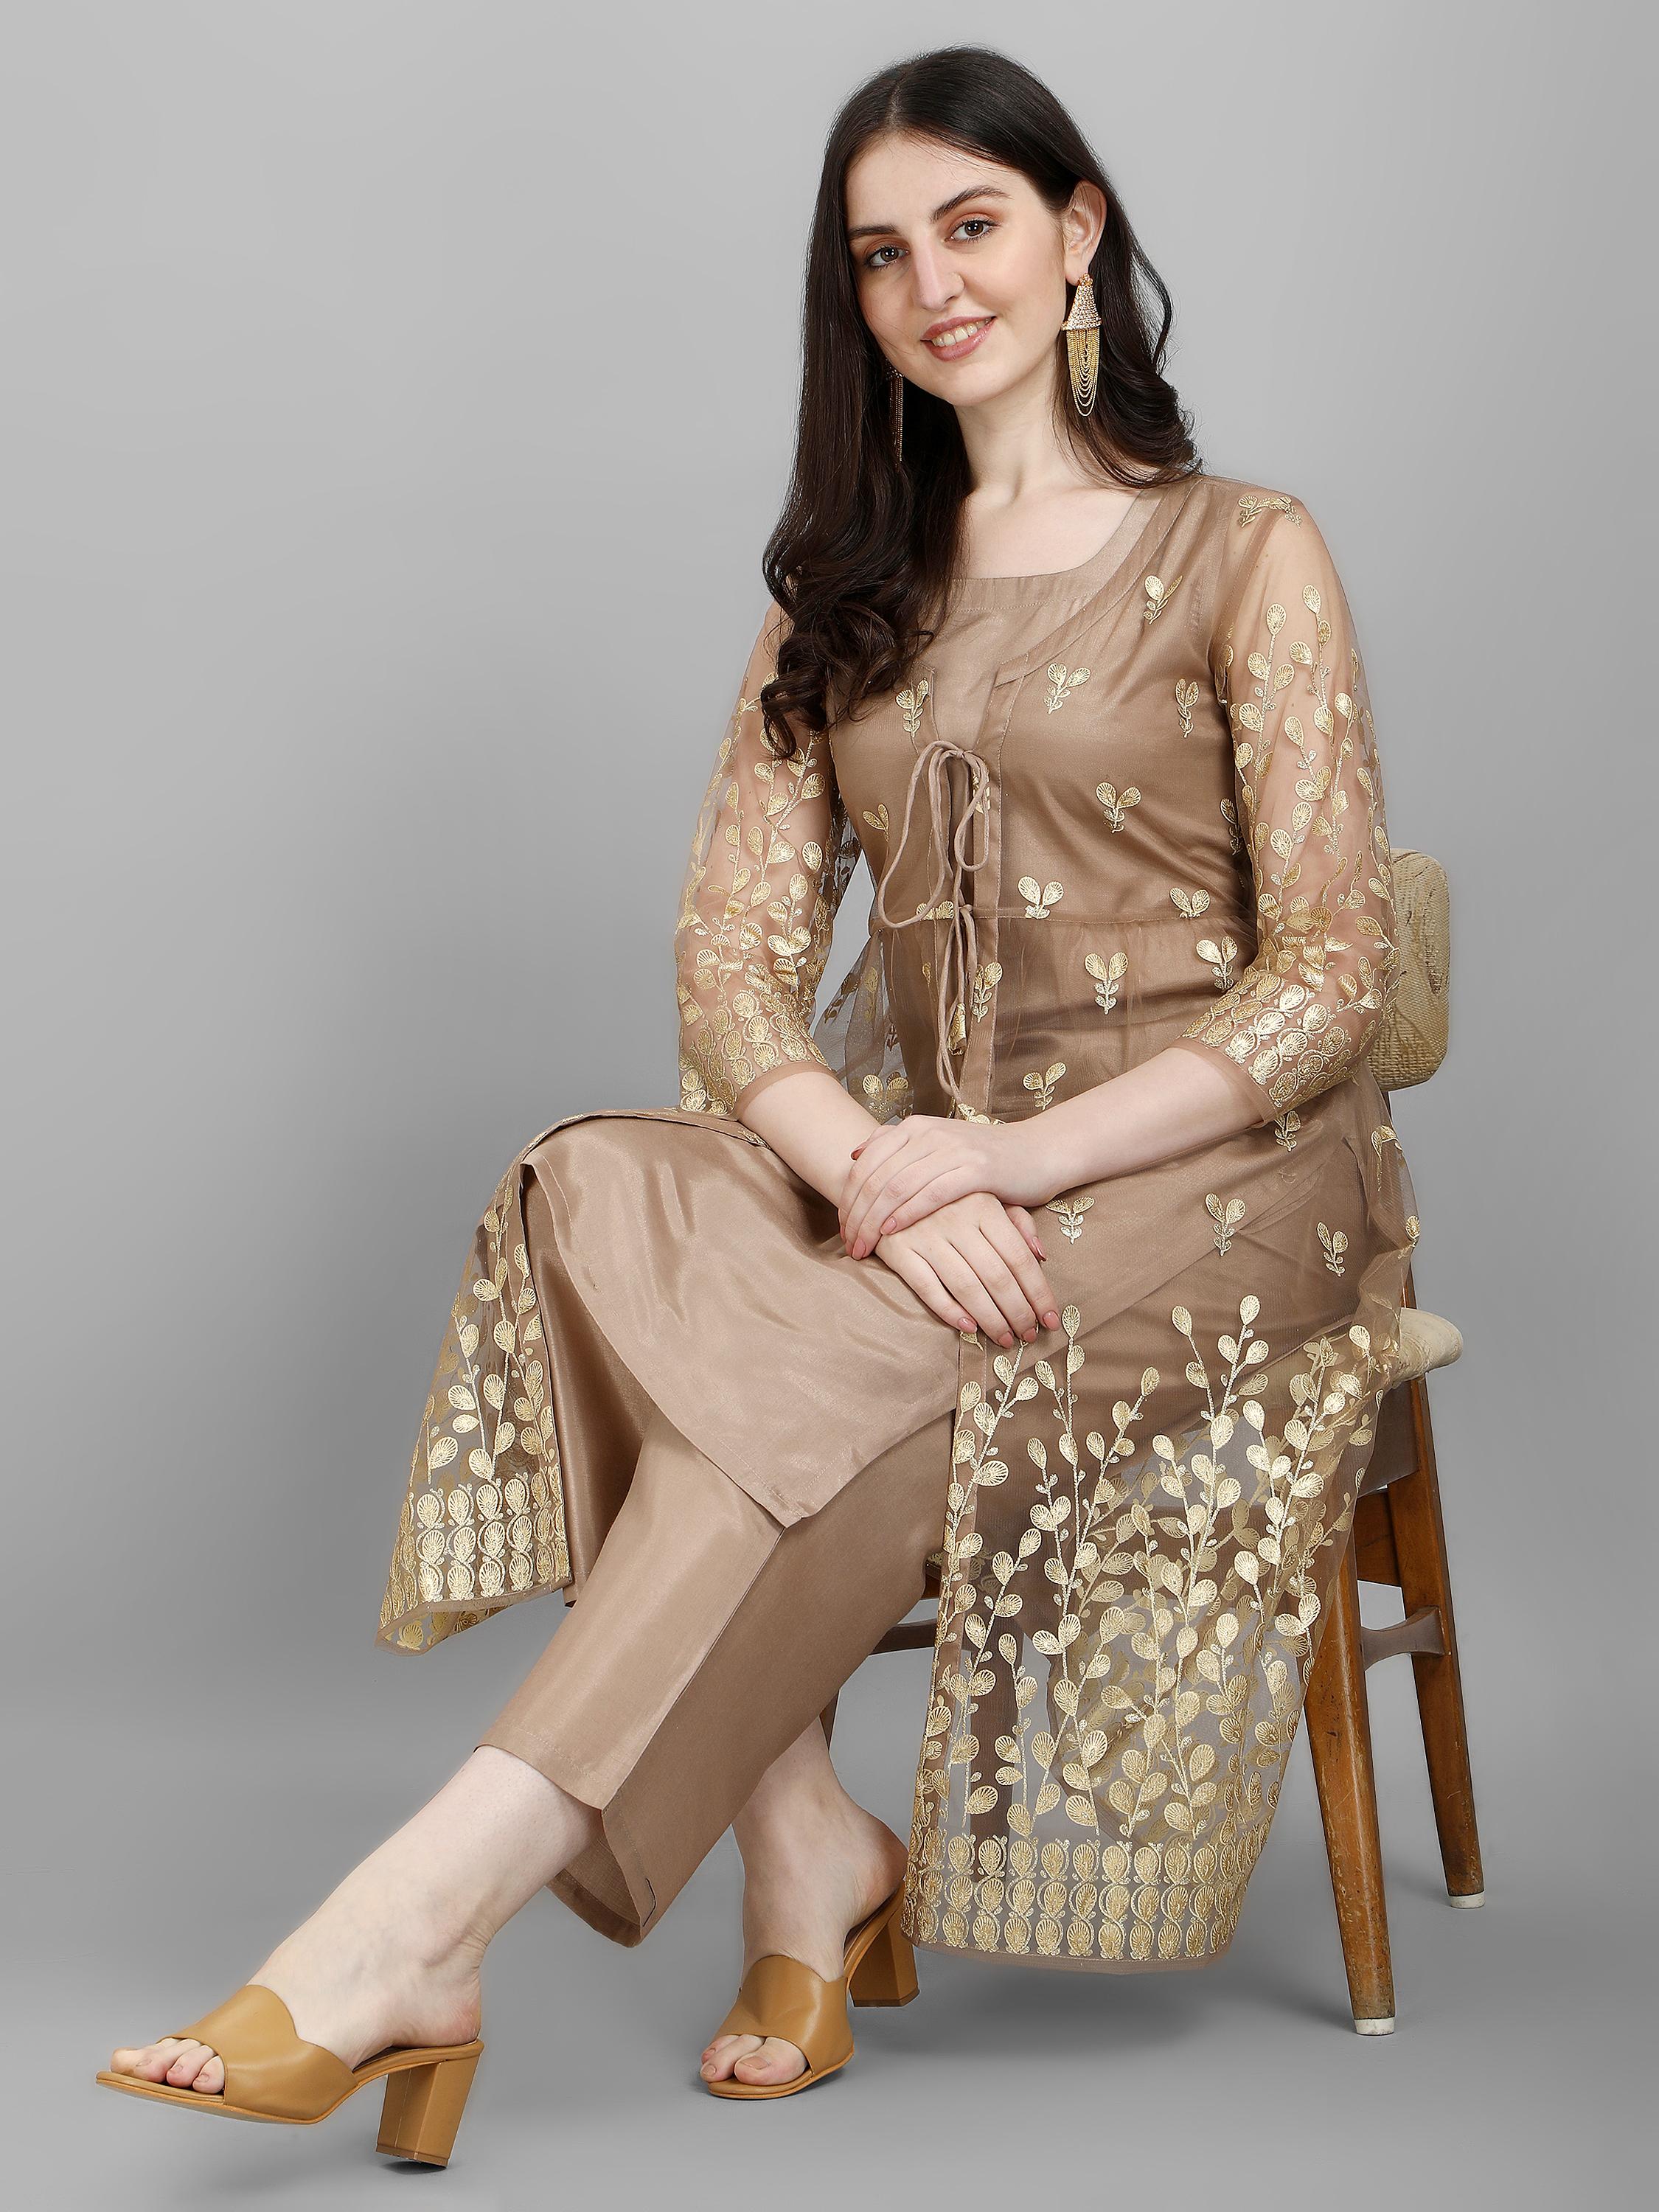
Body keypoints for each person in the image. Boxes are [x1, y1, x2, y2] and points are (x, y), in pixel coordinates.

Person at [98, 42, 1418, 2152]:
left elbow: (1332, 972)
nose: (932, 287)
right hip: (919, 1170)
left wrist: (1010, 1160)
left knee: (811, 1359)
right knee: (590, 1194)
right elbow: (726, 965)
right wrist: (887, 1170)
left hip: (1216, 1177)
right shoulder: (848, 589)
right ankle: (805, 1848)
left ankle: (408, 1928)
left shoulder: (1244, 550)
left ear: (1077, 232)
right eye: (881, 256)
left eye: (971, 227)